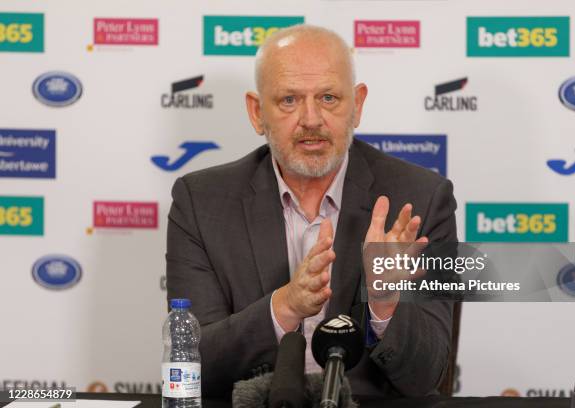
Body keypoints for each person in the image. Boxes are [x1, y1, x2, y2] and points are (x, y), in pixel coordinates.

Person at [166, 24, 457, 398]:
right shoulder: (201, 202)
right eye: (289, 100)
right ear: (257, 112)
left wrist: (384, 304)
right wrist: (285, 307)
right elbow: (192, 364)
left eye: (329, 98)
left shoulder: (419, 198)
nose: (311, 119)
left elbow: (427, 375)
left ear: (358, 105)